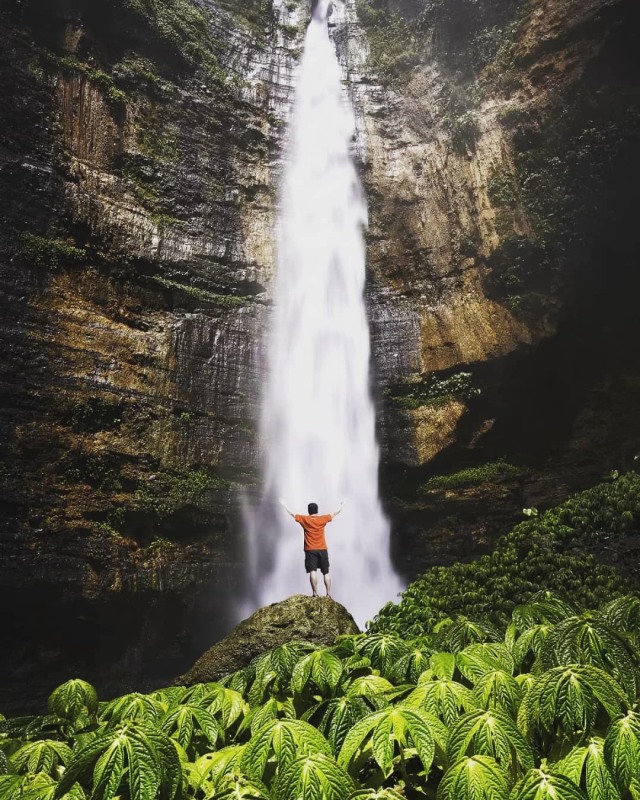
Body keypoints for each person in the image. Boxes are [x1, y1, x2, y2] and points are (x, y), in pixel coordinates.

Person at [278, 497, 345, 598]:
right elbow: (335, 513)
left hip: (310, 550)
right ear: (317, 511)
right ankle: (328, 593)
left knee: (313, 571)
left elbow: (292, 514)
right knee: (326, 571)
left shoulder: (305, 519)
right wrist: (342, 505)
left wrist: (284, 504)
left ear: (308, 511)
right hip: (322, 549)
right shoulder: (322, 519)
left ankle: (315, 593)